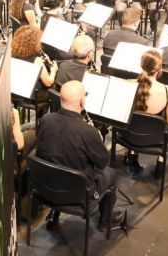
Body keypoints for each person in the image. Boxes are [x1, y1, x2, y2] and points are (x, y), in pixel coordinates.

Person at [36, 80, 123, 231]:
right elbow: (103, 162)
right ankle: (105, 221)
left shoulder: (45, 120)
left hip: (46, 185)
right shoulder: (88, 131)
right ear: (82, 101)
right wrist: (98, 140)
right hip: (77, 193)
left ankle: (54, 214)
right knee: (111, 174)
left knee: (58, 163)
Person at [126, 50, 168, 179]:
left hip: (129, 134)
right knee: (167, 125)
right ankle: (160, 162)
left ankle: (132, 155)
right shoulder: (167, 90)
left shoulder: (129, 85)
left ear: (142, 65)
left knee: (138, 120)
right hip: (156, 136)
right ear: (159, 68)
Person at [11, 25, 57, 104]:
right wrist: (54, 70)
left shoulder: (12, 54)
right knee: (55, 83)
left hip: (16, 92)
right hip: (32, 96)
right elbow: (48, 82)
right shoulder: (37, 61)